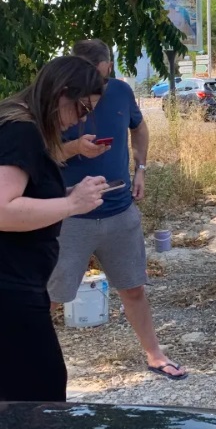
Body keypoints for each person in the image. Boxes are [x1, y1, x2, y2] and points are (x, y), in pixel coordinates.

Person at [48, 39, 187, 380]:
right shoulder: (57, 101)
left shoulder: (122, 92)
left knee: (133, 288)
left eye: (98, 76)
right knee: (50, 296)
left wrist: (141, 170)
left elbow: (139, 128)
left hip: (119, 210)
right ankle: (25, 363)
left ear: (108, 67)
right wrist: (73, 148)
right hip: (69, 216)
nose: (92, 86)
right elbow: (41, 155)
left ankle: (155, 355)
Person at [0, 56, 108, 402]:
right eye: (82, 108)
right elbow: (3, 210)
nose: (82, 119)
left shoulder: (18, 122)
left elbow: (26, 195)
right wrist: (71, 204)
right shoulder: (22, 131)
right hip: (11, 289)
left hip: (19, 285)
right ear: (63, 93)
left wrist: (69, 195)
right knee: (42, 393)